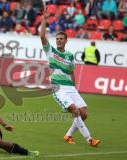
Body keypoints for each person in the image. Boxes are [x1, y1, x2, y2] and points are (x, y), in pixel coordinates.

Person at [40, 9, 100, 147]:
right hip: (58, 87)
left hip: (70, 87)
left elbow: (72, 71)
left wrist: (74, 86)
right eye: (57, 39)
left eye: (61, 39)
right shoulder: (51, 51)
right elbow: (42, 36)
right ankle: (90, 139)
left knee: (84, 114)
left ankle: (68, 135)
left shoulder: (69, 56)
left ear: (66, 41)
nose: (59, 41)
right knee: (75, 111)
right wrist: (44, 19)